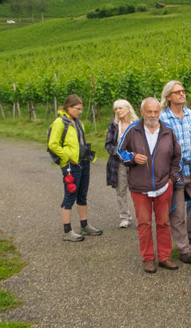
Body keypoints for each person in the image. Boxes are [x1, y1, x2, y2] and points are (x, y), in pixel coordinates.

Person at [117, 98, 181, 273]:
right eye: (149, 112)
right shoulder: (133, 129)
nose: (153, 115)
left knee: (163, 223)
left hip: (163, 186)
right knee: (144, 224)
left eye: (156, 112)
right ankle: (148, 258)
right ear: (142, 111)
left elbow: (177, 157)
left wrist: (172, 178)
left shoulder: (168, 130)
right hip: (140, 187)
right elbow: (120, 152)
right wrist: (132, 158)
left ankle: (165, 257)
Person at [159, 80, 191, 263]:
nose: (182, 94)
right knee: (177, 213)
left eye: (183, 91)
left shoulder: (189, 114)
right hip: (175, 171)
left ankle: (189, 234)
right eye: (177, 92)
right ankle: (184, 249)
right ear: (168, 96)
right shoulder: (163, 118)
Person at [48, 94, 102, 241]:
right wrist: (66, 157)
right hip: (71, 165)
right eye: (77, 109)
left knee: (82, 194)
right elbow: (52, 144)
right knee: (70, 195)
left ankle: (84, 226)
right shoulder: (60, 122)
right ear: (69, 107)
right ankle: (67, 231)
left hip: (83, 162)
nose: (80, 112)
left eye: (81, 109)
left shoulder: (77, 122)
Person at [105, 99, 138, 229]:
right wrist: (118, 153)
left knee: (137, 190)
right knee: (121, 190)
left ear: (128, 108)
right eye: (116, 109)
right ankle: (124, 217)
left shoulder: (136, 124)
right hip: (118, 162)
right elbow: (108, 144)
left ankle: (141, 216)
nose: (118, 111)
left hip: (134, 163)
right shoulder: (113, 125)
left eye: (120, 108)